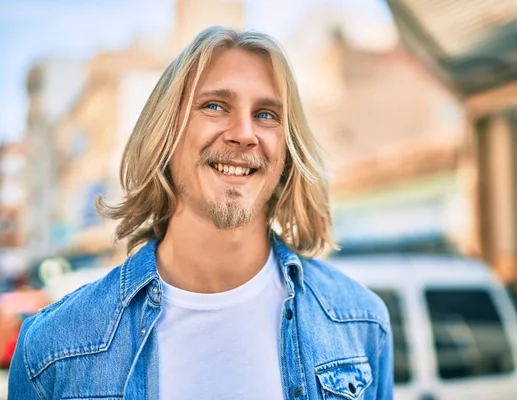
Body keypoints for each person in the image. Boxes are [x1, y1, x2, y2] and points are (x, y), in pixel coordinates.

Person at [8, 26, 393, 399]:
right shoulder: (53, 350)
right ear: (165, 136)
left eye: (266, 114)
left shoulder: (359, 323)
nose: (244, 133)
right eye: (214, 105)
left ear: (287, 151)